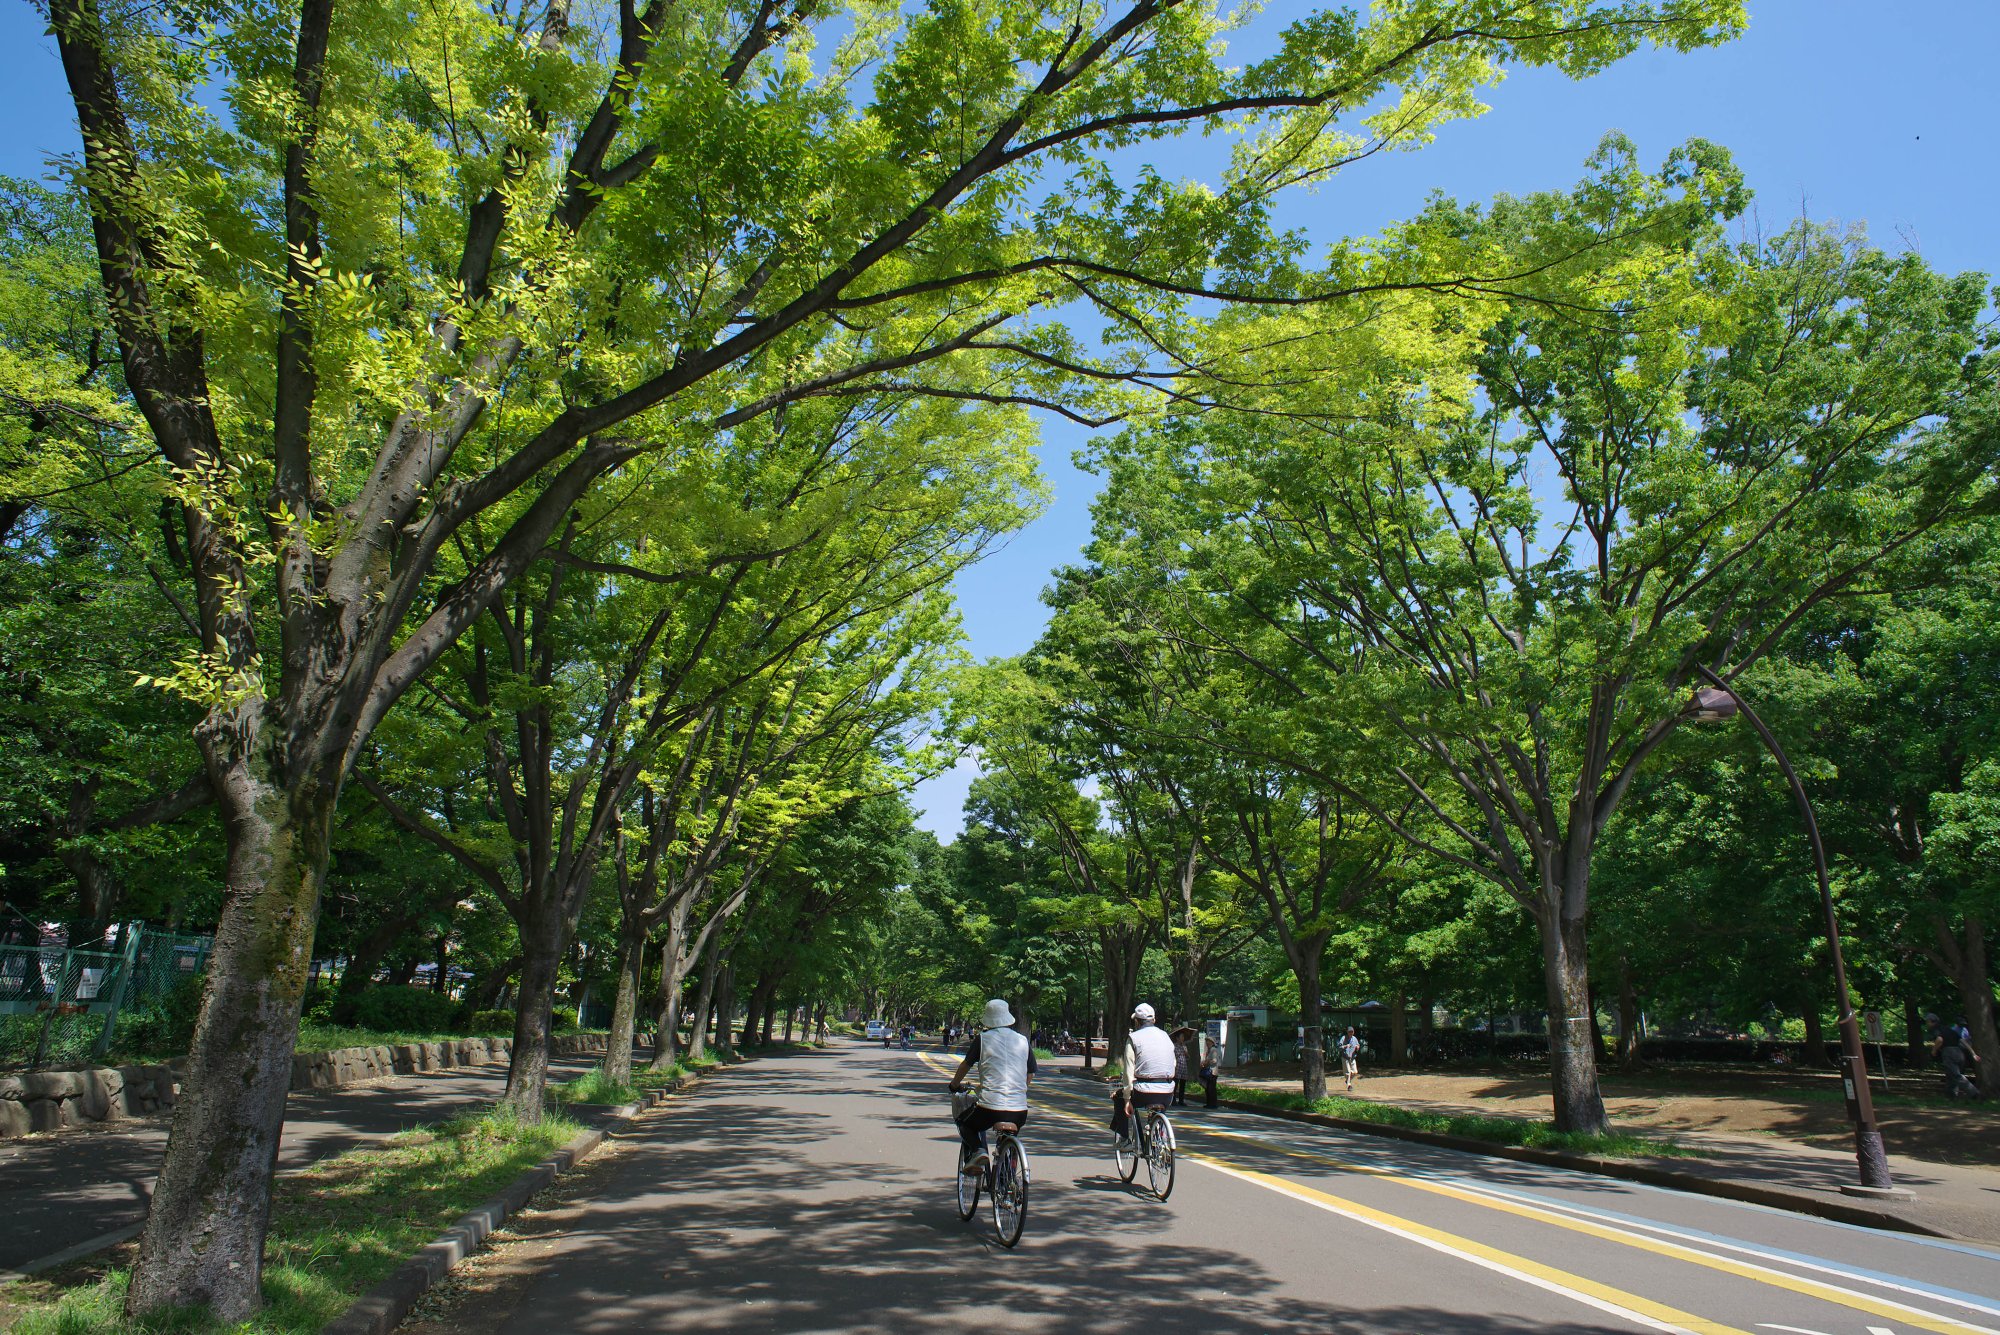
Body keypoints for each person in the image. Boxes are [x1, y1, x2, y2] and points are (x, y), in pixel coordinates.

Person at [948, 997, 1037, 1174]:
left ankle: (978, 1151)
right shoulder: (1022, 1040)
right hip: (1019, 1109)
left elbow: (966, 1065)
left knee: (965, 1123)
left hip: (989, 1106)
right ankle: (1008, 1181)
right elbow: (1030, 1073)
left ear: (989, 1020)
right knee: (1009, 1138)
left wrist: (954, 1084)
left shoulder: (983, 1039)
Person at [1117, 1003, 1178, 1149]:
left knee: (1119, 1098)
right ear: (1154, 1020)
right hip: (1168, 1092)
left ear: (1137, 1021)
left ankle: (1125, 1140)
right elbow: (1173, 1063)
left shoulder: (1133, 1037)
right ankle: (1161, 1141)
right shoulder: (1165, 1036)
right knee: (1159, 1108)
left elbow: (1128, 1070)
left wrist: (1126, 1098)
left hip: (1144, 1091)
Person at [1930, 1013, 1980, 1099]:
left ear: (1931, 1022)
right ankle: (1950, 1097)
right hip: (1959, 1053)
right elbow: (1963, 1041)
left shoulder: (1937, 1029)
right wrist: (1973, 1053)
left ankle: (1974, 1093)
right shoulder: (1950, 1030)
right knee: (1950, 1075)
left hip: (1949, 1052)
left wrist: (1934, 1051)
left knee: (1956, 1075)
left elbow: (1939, 1039)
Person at [1198, 1026, 1219, 1108]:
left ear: (1212, 1043)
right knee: (1208, 1088)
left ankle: (1213, 1104)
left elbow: (1215, 1060)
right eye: (1207, 1042)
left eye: (1209, 1042)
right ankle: (1209, 1103)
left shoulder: (1214, 1050)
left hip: (1213, 1072)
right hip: (1209, 1071)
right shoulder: (1208, 1051)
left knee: (1211, 1089)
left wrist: (1207, 1062)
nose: (1207, 1043)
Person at [1170, 1028, 1192, 1106]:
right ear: (1177, 1038)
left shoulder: (1184, 1046)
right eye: (1181, 1036)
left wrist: (1186, 1053)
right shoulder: (1174, 1046)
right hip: (1177, 1067)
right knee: (1175, 1084)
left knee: (1183, 1084)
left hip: (1184, 1067)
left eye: (1183, 1037)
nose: (1183, 1038)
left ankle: (1181, 1100)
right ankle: (1173, 1100)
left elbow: (1188, 1057)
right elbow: (1172, 1056)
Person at [1338, 1026, 1362, 1093]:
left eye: (1352, 1031)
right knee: (1348, 1072)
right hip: (1345, 1057)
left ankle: (1347, 1080)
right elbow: (1339, 1047)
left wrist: (1357, 1047)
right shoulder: (1343, 1038)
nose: (1351, 1033)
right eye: (1349, 1031)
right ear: (1347, 1032)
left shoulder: (1354, 1038)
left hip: (1352, 1058)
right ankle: (1349, 1085)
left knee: (1355, 1072)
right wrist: (1346, 1046)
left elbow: (1358, 1045)